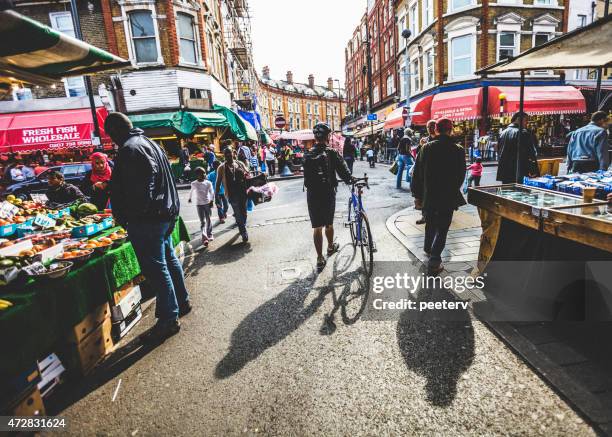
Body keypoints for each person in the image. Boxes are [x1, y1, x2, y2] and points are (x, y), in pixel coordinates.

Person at [105, 112, 190, 341]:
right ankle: (181, 302)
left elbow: (141, 189)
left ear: (113, 133)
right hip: (163, 215)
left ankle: (169, 319)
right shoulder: (149, 143)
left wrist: (131, 216)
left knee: (157, 268)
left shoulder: (130, 149)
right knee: (168, 261)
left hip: (148, 220)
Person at [411, 118, 466, 275]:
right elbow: (461, 175)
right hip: (447, 197)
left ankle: (428, 250)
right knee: (442, 229)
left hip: (430, 195)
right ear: (450, 130)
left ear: (436, 130)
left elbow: (417, 175)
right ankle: (434, 262)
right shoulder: (458, 149)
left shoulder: (426, 148)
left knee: (430, 224)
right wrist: (453, 189)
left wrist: (418, 195)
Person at [303, 122, 353, 271]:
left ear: (315, 137)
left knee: (317, 227)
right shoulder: (331, 152)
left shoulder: (308, 153)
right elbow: (344, 173)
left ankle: (319, 258)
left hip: (312, 194)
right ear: (327, 137)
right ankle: (331, 247)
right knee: (328, 223)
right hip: (328, 192)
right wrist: (351, 179)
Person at [216, 146, 250, 242]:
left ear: (233, 153)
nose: (228, 155)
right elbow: (218, 183)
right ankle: (243, 231)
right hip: (232, 194)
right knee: (238, 213)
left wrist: (248, 174)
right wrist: (216, 197)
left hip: (243, 193)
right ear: (224, 155)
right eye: (226, 153)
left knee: (244, 213)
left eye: (229, 152)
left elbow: (248, 174)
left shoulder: (239, 164)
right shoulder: (221, 168)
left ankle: (241, 225)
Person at [497, 112, 539, 183]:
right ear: (519, 119)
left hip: (505, 172)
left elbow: (499, 151)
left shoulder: (503, 133)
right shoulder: (523, 133)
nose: (527, 123)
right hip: (519, 171)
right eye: (526, 120)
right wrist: (533, 170)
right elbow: (530, 154)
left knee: (506, 191)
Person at [412, 120, 438, 225]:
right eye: (428, 127)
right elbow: (418, 155)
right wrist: (420, 145)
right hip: (425, 172)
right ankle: (424, 216)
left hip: (436, 172)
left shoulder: (439, 140)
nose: (430, 129)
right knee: (424, 195)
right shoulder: (425, 140)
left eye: (432, 126)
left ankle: (435, 214)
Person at [188, 167, 215, 247]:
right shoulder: (194, 183)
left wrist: (212, 201)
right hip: (199, 205)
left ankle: (209, 234)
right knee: (202, 221)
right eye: (201, 173)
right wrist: (189, 198)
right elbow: (191, 191)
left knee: (208, 219)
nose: (204, 174)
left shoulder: (208, 183)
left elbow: (212, 192)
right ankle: (204, 238)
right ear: (197, 175)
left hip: (207, 204)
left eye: (204, 173)